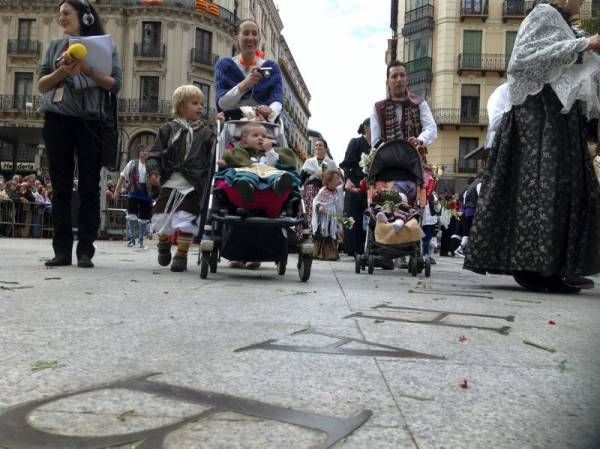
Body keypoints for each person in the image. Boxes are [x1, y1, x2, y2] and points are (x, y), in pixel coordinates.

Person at [464, 0, 600, 291]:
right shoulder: (543, 14)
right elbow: (523, 58)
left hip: (555, 121)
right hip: (539, 120)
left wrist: (582, 46)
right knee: (542, 189)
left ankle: (556, 266)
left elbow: (560, 65)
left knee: (560, 190)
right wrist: (584, 44)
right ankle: (538, 270)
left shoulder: (562, 23)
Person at [38, 0, 122, 268]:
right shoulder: (54, 47)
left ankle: (85, 249)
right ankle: (61, 250)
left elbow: (115, 84)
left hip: (90, 122)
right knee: (60, 188)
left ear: (84, 18)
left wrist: (87, 69)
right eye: (59, 13)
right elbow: (41, 85)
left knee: (89, 188)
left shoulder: (106, 47)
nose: (61, 18)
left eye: (66, 13)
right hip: (57, 120)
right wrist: (62, 69)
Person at [149, 85, 215, 273]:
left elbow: (212, 151)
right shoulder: (167, 129)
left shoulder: (206, 132)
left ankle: (181, 255)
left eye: (201, 104)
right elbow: (155, 153)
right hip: (170, 180)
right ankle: (163, 244)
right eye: (195, 103)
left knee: (186, 220)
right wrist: (154, 171)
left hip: (193, 183)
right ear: (181, 106)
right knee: (162, 218)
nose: (200, 107)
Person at [214, 121, 299, 217]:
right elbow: (234, 161)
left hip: (268, 175)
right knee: (244, 174)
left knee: (277, 173)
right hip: (248, 173)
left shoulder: (270, 152)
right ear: (244, 141)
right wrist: (225, 163)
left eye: (264, 136)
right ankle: (247, 186)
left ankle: (278, 184)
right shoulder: (240, 152)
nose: (260, 138)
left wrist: (269, 151)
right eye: (255, 135)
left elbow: (274, 164)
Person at [214, 19, 283, 122]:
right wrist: (245, 84)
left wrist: (270, 111)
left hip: (262, 128)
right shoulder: (224, 65)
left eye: (254, 34)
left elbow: (277, 99)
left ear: (259, 39)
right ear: (237, 38)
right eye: (246, 33)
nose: (251, 38)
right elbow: (222, 103)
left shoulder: (272, 68)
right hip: (233, 127)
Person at [370, 61, 437, 153]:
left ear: (407, 79)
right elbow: (376, 141)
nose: (399, 79)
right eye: (394, 76)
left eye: (402, 75)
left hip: (415, 162)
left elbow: (431, 129)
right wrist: (394, 152)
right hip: (388, 164)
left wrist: (419, 140)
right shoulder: (378, 108)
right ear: (387, 82)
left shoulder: (420, 103)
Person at [114, 144, 158, 248]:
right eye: (143, 151)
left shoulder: (150, 166)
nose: (145, 153)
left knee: (144, 218)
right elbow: (122, 176)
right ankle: (132, 238)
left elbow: (156, 182)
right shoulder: (132, 163)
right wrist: (117, 190)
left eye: (147, 151)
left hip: (146, 193)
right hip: (133, 192)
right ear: (139, 152)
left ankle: (141, 240)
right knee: (131, 216)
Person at [340, 118, 371, 257]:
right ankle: (353, 249)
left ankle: (367, 247)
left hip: (372, 187)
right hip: (355, 185)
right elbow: (346, 164)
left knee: (370, 216)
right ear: (366, 127)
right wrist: (347, 180)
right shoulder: (356, 142)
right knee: (354, 217)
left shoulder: (378, 144)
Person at [300, 139, 337, 239]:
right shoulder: (309, 162)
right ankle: (311, 233)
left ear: (325, 148)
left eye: (320, 145)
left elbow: (336, 178)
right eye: (316, 145)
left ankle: (323, 235)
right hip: (311, 190)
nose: (317, 147)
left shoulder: (331, 163)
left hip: (325, 191)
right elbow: (301, 178)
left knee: (323, 214)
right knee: (311, 209)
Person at [312, 169, 344, 261]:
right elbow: (315, 201)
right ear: (329, 180)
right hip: (323, 220)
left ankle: (331, 254)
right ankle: (320, 254)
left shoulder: (337, 191)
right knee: (323, 234)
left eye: (338, 178)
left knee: (331, 234)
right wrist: (319, 206)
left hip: (332, 218)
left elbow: (339, 205)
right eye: (336, 178)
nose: (338, 180)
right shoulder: (323, 191)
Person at [455, 172, 482, 257]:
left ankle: (463, 248)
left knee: (467, 232)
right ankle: (461, 248)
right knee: (472, 232)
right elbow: (481, 197)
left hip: (467, 211)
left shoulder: (470, 186)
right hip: (473, 211)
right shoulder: (478, 184)